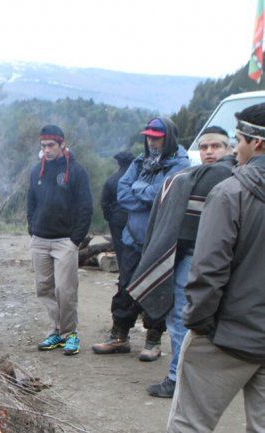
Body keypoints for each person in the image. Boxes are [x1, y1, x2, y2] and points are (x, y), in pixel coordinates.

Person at [165, 103, 265, 432]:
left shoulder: (229, 194)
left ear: (258, 143)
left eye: (238, 140)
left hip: (227, 336)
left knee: (190, 424)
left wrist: (198, 322)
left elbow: (208, 271)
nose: (235, 148)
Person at [124, 126, 234, 399]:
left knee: (182, 320)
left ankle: (178, 379)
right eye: (205, 146)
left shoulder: (218, 176)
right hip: (189, 254)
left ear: (230, 148)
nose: (209, 151)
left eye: (216, 146)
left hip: (196, 258)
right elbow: (123, 192)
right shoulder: (195, 176)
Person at [93, 117, 189, 361]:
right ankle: (119, 337)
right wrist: (146, 194)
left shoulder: (180, 164)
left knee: (156, 287)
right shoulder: (139, 161)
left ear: (168, 138)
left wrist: (140, 190)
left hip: (160, 240)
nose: (151, 142)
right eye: (148, 137)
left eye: (156, 138)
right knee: (125, 285)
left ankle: (153, 341)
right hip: (132, 238)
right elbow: (122, 193)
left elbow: (165, 195)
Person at [27, 125, 93, 356]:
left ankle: (70, 334)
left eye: (51, 145)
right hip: (40, 240)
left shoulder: (75, 171)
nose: (47, 149)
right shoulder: (37, 171)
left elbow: (86, 207)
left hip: (65, 240)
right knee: (44, 288)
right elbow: (31, 202)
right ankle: (55, 331)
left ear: (62, 144)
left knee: (65, 290)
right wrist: (32, 228)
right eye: (43, 145)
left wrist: (76, 239)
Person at [100, 151, 134, 272]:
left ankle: (123, 277)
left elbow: (104, 202)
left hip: (117, 219)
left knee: (120, 249)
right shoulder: (139, 178)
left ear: (118, 162)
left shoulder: (111, 180)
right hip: (135, 219)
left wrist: (110, 217)